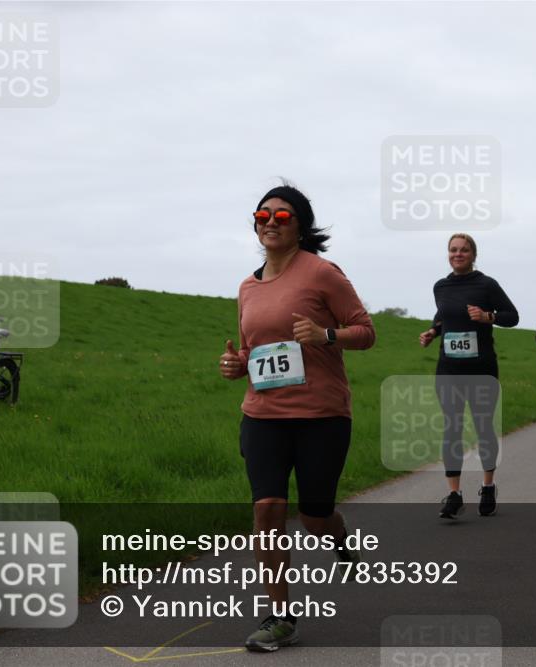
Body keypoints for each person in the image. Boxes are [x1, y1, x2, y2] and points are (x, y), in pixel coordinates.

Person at [219, 184, 376, 652]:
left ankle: (338, 535)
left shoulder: (323, 273)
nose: (270, 221)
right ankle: (280, 616)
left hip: (321, 414)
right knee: (268, 509)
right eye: (263, 214)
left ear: (300, 225)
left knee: (313, 513)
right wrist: (238, 363)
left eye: (282, 216)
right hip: (263, 414)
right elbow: (253, 348)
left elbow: (366, 332)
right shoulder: (248, 286)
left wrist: (326, 334)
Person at [419, 233, 518, 519]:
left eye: (464, 250)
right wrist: (433, 332)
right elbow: (443, 317)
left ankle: (488, 486)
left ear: (474, 255)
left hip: (481, 369)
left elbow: (512, 316)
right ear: (448, 254)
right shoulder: (441, 286)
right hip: (448, 368)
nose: (458, 254)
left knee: (483, 427)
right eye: (453, 250)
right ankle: (454, 494)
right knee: (452, 428)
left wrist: (488, 317)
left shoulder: (487, 284)